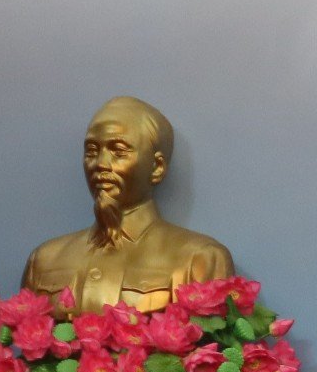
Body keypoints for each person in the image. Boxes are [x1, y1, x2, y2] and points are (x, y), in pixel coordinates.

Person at [20, 96, 234, 313]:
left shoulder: (200, 258)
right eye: (92, 151)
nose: (100, 164)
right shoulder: (45, 260)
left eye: (119, 151)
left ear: (157, 167)